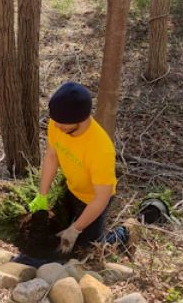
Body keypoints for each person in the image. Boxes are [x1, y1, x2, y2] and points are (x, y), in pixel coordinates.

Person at [28, 82, 117, 254]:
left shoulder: (100, 149)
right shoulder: (57, 125)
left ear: (81, 118)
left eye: (63, 124)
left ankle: (124, 233)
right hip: (71, 189)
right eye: (55, 121)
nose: (57, 127)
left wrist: (75, 230)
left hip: (93, 200)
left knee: (87, 249)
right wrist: (42, 194)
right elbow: (52, 156)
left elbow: (101, 198)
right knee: (55, 236)